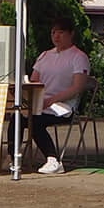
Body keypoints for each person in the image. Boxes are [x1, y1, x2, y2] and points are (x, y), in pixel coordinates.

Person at [28, 20, 91, 175]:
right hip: (41, 103)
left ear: (71, 34)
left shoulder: (78, 57)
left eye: (61, 32)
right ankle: (11, 155)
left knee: (35, 120)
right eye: (53, 32)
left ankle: (52, 159)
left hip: (64, 107)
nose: (56, 36)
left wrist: (50, 100)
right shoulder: (44, 55)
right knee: (18, 117)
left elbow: (77, 87)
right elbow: (33, 80)